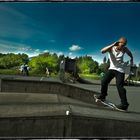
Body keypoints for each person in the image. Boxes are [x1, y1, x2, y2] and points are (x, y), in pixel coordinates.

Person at [96, 37, 133, 111]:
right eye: (121, 45)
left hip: (120, 70)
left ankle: (124, 104)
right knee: (104, 81)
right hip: (112, 68)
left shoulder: (125, 49)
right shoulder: (111, 48)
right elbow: (102, 51)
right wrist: (113, 44)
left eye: (124, 45)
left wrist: (132, 59)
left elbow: (130, 53)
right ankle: (103, 96)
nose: (122, 47)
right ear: (118, 43)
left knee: (120, 86)